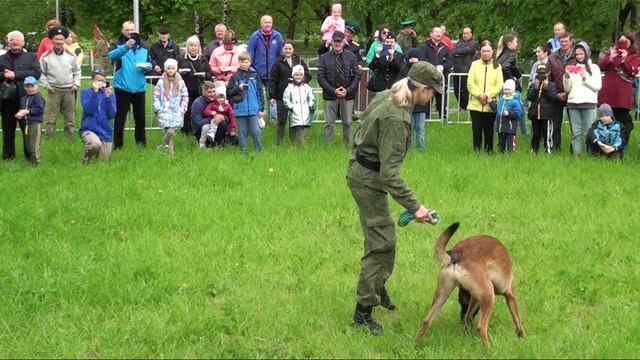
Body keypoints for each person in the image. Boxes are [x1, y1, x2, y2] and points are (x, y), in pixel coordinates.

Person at [346, 61, 441, 334]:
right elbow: (390, 175)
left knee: (382, 240)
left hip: (362, 172)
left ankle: (377, 288)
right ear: (421, 88)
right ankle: (362, 315)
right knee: (382, 245)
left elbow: (363, 129)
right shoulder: (396, 117)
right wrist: (417, 208)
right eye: (431, 93)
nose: (431, 98)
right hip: (368, 181)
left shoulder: (388, 94)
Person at [108, 21, 153, 149]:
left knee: (140, 120)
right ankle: (118, 146)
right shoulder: (117, 45)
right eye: (127, 30)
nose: (130, 32)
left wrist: (148, 67)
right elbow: (112, 56)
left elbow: (150, 62)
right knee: (120, 120)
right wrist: (126, 46)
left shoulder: (143, 47)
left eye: (132, 29)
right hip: (122, 87)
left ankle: (141, 145)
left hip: (139, 88)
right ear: (123, 31)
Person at [0, 30, 41, 161]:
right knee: (8, 130)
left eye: (18, 40)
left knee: (27, 129)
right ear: (8, 42)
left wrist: (15, 75)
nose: (15, 42)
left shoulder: (31, 57)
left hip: (26, 99)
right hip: (7, 100)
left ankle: (30, 156)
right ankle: (8, 157)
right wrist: (3, 75)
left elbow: (36, 73)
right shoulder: (1, 58)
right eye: (12, 40)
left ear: (23, 43)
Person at [598, 32, 640, 150]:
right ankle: (604, 147)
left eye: (626, 42)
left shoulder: (634, 56)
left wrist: (624, 58)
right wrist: (610, 57)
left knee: (621, 124)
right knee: (605, 122)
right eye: (621, 40)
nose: (622, 43)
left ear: (630, 44)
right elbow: (601, 66)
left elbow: (632, 72)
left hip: (622, 97)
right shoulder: (610, 52)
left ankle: (619, 149)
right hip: (608, 95)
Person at [318, 31, 360, 144]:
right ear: (331, 42)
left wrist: (348, 90)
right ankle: (328, 146)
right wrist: (333, 91)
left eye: (339, 41)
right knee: (329, 123)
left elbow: (357, 75)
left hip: (347, 95)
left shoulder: (351, 56)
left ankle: (349, 145)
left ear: (343, 42)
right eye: (335, 41)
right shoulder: (324, 58)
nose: (337, 44)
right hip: (330, 95)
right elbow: (321, 77)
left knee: (348, 122)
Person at [39, 26, 81, 139]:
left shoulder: (71, 56)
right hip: (53, 91)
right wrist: (47, 86)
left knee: (70, 118)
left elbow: (77, 71)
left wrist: (75, 85)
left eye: (61, 39)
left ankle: (69, 139)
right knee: (50, 119)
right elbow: (41, 74)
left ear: (64, 40)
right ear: (52, 40)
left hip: (69, 91)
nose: (59, 41)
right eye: (56, 39)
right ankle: (49, 139)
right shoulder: (45, 57)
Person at [563, 41, 601, 156]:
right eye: (577, 54)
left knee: (589, 132)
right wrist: (566, 76)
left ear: (587, 54)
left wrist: (585, 78)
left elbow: (597, 87)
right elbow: (567, 88)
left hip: (589, 104)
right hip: (573, 104)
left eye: (581, 54)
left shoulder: (594, 68)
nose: (579, 56)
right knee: (576, 132)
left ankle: (590, 154)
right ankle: (576, 155)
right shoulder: (573, 68)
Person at [269, 40, 311, 145]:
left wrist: (301, 82)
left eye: (290, 49)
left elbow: (308, 75)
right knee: (282, 121)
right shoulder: (278, 62)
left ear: (293, 49)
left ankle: (293, 142)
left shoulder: (299, 61)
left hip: (296, 96)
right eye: (286, 48)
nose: (288, 51)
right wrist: (272, 96)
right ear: (283, 49)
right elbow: (273, 80)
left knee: (294, 120)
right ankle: (279, 143)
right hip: (281, 95)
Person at [467, 39, 503, 153]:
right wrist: (479, 95)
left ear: (492, 51)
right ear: (480, 52)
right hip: (476, 104)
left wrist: (487, 95)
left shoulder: (497, 66)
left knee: (489, 130)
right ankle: (476, 150)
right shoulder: (474, 65)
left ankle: (489, 151)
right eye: (484, 51)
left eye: (488, 51)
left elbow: (499, 85)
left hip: (490, 103)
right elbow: (470, 82)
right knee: (476, 129)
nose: (486, 53)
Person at [227, 51, 264, 153]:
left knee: (256, 131)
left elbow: (259, 92)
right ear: (239, 62)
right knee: (242, 131)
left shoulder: (255, 75)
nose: (244, 64)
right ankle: (244, 151)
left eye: (246, 62)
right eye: (242, 62)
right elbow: (229, 93)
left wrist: (261, 108)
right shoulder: (235, 77)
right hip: (240, 108)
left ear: (250, 62)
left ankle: (259, 151)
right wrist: (238, 88)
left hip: (253, 108)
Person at [79, 67, 117, 163]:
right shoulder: (86, 92)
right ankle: (85, 160)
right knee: (95, 144)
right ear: (92, 81)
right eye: (97, 80)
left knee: (103, 162)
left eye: (102, 81)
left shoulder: (110, 94)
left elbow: (111, 114)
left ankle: (95, 158)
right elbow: (89, 110)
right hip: (89, 129)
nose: (100, 83)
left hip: (105, 131)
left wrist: (108, 98)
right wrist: (95, 94)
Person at [547, 31, 577, 152]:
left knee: (574, 126)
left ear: (571, 41)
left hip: (573, 94)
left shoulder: (578, 56)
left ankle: (574, 150)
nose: (564, 43)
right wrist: (555, 94)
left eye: (566, 41)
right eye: (561, 41)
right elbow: (548, 78)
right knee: (555, 125)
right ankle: (555, 149)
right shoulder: (552, 57)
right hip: (557, 94)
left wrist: (569, 93)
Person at [178, 35, 213, 136]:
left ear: (199, 47)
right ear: (187, 47)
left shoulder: (203, 59)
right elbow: (174, 72)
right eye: (191, 45)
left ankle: (199, 130)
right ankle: (186, 132)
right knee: (187, 111)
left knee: (200, 110)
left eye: (195, 45)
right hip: (185, 89)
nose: (193, 48)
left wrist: (204, 75)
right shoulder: (181, 58)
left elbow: (210, 74)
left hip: (200, 88)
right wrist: (180, 72)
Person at [153, 59, 189, 155]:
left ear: (176, 69)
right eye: (168, 68)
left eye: (173, 68)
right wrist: (158, 108)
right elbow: (156, 96)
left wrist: (182, 109)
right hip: (164, 111)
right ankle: (170, 152)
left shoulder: (180, 82)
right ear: (165, 69)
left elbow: (185, 96)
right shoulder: (161, 82)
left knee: (171, 132)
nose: (170, 70)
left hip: (176, 111)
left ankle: (161, 146)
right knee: (168, 132)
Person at [421, 25, 453, 120]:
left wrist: (443, 66)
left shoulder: (445, 48)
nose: (439, 34)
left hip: (441, 78)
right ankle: (426, 118)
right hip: (428, 77)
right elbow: (422, 59)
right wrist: (433, 67)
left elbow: (450, 61)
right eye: (436, 32)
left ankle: (443, 117)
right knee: (427, 97)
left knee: (442, 97)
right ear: (431, 34)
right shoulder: (424, 47)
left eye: (440, 32)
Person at [247, 15, 284, 97]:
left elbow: (281, 55)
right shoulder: (255, 36)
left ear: (272, 23)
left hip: (273, 73)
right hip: (257, 73)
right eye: (265, 22)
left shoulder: (278, 36)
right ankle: (259, 110)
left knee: (272, 97)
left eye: (269, 22)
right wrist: (252, 70)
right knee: (257, 97)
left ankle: (272, 110)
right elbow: (249, 55)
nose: (267, 24)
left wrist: (278, 69)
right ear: (261, 24)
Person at [526, 63, 556, 154]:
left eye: (544, 74)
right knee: (535, 134)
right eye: (539, 74)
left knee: (547, 134)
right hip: (535, 114)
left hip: (546, 114)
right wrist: (535, 88)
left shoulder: (551, 85)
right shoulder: (533, 85)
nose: (542, 76)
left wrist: (546, 88)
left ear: (548, 73)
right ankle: (534, 150)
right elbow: (529, 97)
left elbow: (552, 98)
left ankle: (548, 150)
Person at [15, 76, 45, 165]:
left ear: (37, 86)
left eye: (32, 86)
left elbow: (39, 109)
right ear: (24, 87)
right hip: (27, 124)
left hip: (35, 124)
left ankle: (37, 161)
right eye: (27, 87)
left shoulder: (38, 97)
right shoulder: (23, 98)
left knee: (34, 144)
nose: (30, 89)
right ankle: (31, 161)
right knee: (28, 144)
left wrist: (27, 111)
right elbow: (21, 109)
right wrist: (19, 115)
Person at [282, 65, 315, 146]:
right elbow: (286, 99)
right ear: (293, 76)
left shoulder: (306, 87)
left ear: (303, 76)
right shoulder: (289, 88)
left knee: (302, 131)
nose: (298, 77)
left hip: (305, 112)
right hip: (295, 113)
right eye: (296, 75)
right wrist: (291, 107)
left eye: (300, 75)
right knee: (298, 130)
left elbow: (311, 98)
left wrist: (310, 105)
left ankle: (296, 146)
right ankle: (302, 147)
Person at [191, 81, 230, 147]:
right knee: (218, 123)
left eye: (213, 91)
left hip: (216, 128)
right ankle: (209, 144)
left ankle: (220, 145)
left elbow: (229, 116)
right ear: (203, 93)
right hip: (202, 130)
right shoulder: (197, 103)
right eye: (209, 92)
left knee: (223, 122)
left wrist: (222, 117)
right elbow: (197, 124)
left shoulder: (218, 100)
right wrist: (213, 118)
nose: (212, 94)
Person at [406, 48, 429, 152]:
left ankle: (421, 148)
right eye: (411, 58)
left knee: (420, 128)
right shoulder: (405, 69)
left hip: (421, 104)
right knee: (409, 127)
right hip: (410, 103)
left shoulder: (424, 71)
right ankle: (409, 147)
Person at [200, 81, 236, 148]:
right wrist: (212, 113)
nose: (220, 99)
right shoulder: (212, 105)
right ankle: (203, 142)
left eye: (222, 97)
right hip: (212, 122)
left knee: (222, 124)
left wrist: (233, 129)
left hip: (224, 124)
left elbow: (232, 116)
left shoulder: (227, 106)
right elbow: (206, 112)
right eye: (218, 97)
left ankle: (221, 143)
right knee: (206, 127)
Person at [451, 27, 477, 111]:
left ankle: (466, 106)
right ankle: (462, 106)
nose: (465, 35)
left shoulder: (473, 43)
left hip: (467, 70)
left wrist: (458, 52)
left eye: (467, 33)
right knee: (456, 89)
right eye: (464, 33)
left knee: (465, 90)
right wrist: (458, 52)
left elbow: (467, 50)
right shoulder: (459, 43)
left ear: (471, 34)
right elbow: (452, 51)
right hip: (457, 70)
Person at [495, 79, 523, 152]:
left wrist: (509, 113)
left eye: (509, 89)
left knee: (510, 144)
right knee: (501, 144)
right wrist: (491, 102)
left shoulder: (515, 101)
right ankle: (501, 156)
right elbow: (497, 108)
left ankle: (511, 154)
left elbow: (518, 113)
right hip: (501, 127)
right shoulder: (501, 99)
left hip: (510, 128)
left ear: (512, 90)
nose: (506, 91)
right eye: (505, 89)